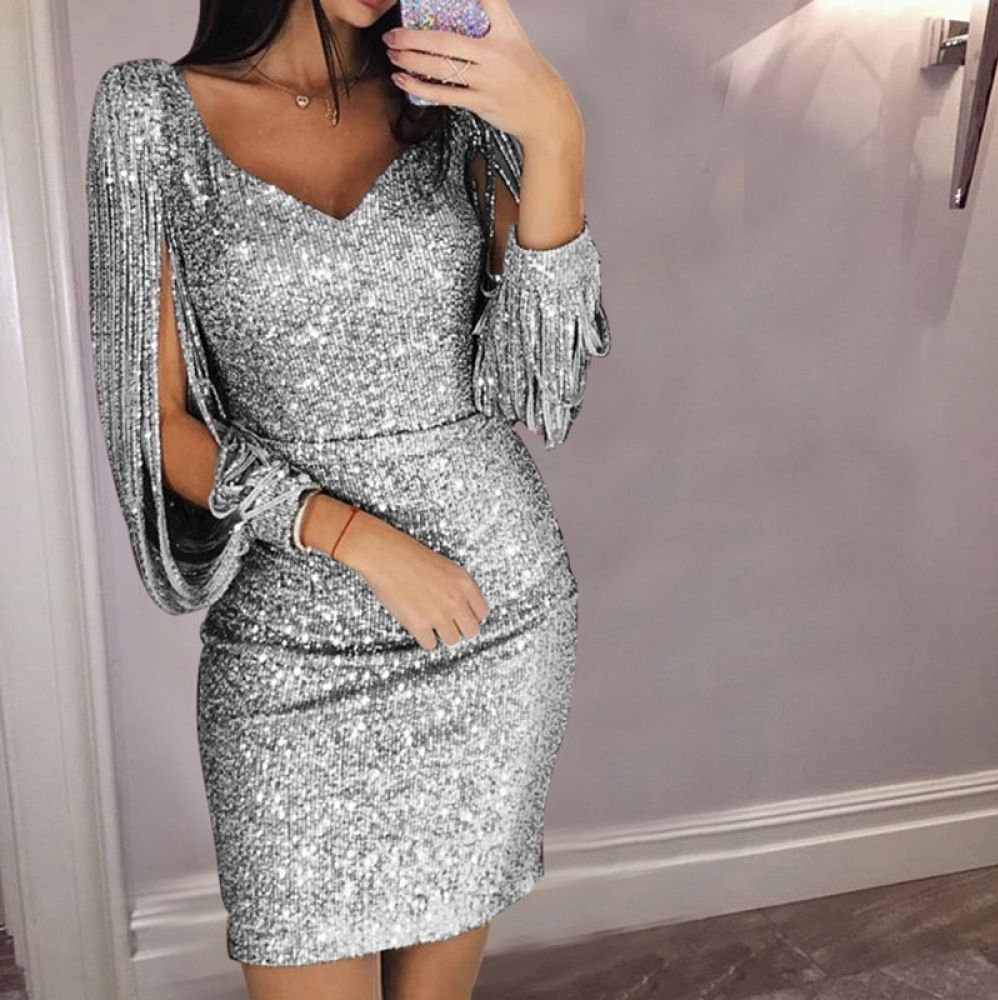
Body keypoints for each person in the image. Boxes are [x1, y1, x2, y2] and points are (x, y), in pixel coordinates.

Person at [86, 0, 610, 997]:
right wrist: (350, 534)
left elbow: (539, 385)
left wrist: (554, 130)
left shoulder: (454, 107)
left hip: (485, 619)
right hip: (288, 642)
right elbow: (157, 423)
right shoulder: (149, 115)